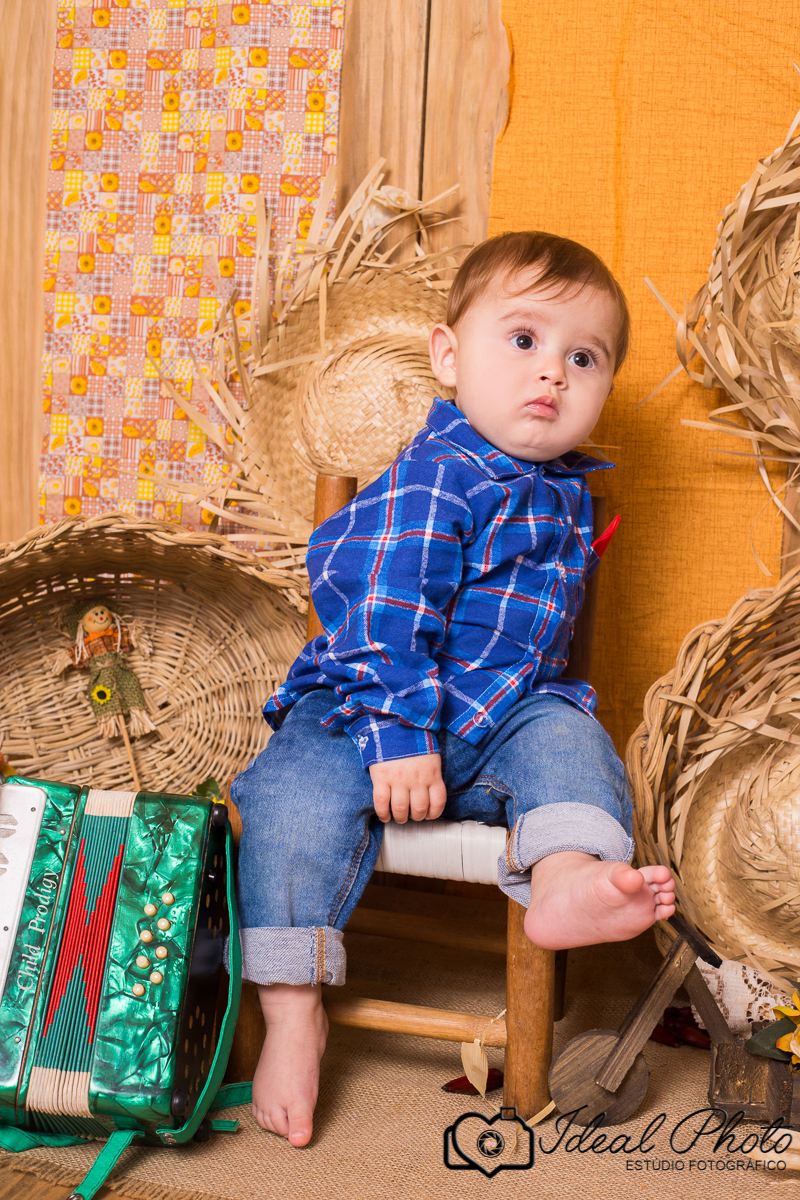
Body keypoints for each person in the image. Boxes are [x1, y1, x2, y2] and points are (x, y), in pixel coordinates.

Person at [230, 231, 676, 1147]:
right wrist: (398, 735)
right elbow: (379, 614)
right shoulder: (438, 477)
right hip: (366, 715)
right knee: (289, 800)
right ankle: (291, 1011)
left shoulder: (564, 493)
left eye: (583, 358)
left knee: (572, 735)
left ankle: (565, 877)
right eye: (524, 340)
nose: (551, 373)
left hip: (496, 722)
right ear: (448, 357)